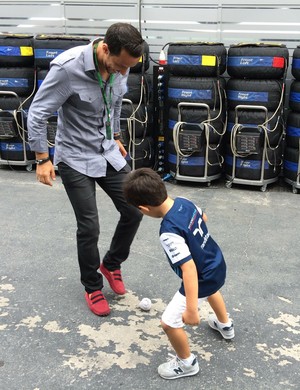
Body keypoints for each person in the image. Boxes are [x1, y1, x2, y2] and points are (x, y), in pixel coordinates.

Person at [27, 23, 144, 316]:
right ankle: (92, 286)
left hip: (106, 150)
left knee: (135, 208)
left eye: (127, 68)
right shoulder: (68, 69)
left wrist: (116, 136)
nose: (122, 72)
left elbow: (116, 104)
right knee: (89, 226)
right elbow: (38, 112)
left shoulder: (122, 65)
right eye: (119, 65)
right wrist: (42, 158)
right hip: (75, 156)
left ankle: (112, 264)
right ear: (105, 48)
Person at [123, 168, 234, 380]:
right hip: (216, 263)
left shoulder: (168, 231)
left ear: (143, 208)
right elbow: (204, 217)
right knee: (212, 290)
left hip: (201, 276)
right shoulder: (184, 201)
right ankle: (225, 325)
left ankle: (186, 363)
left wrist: (192, 310)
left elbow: (189, 269)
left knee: (169, 323)